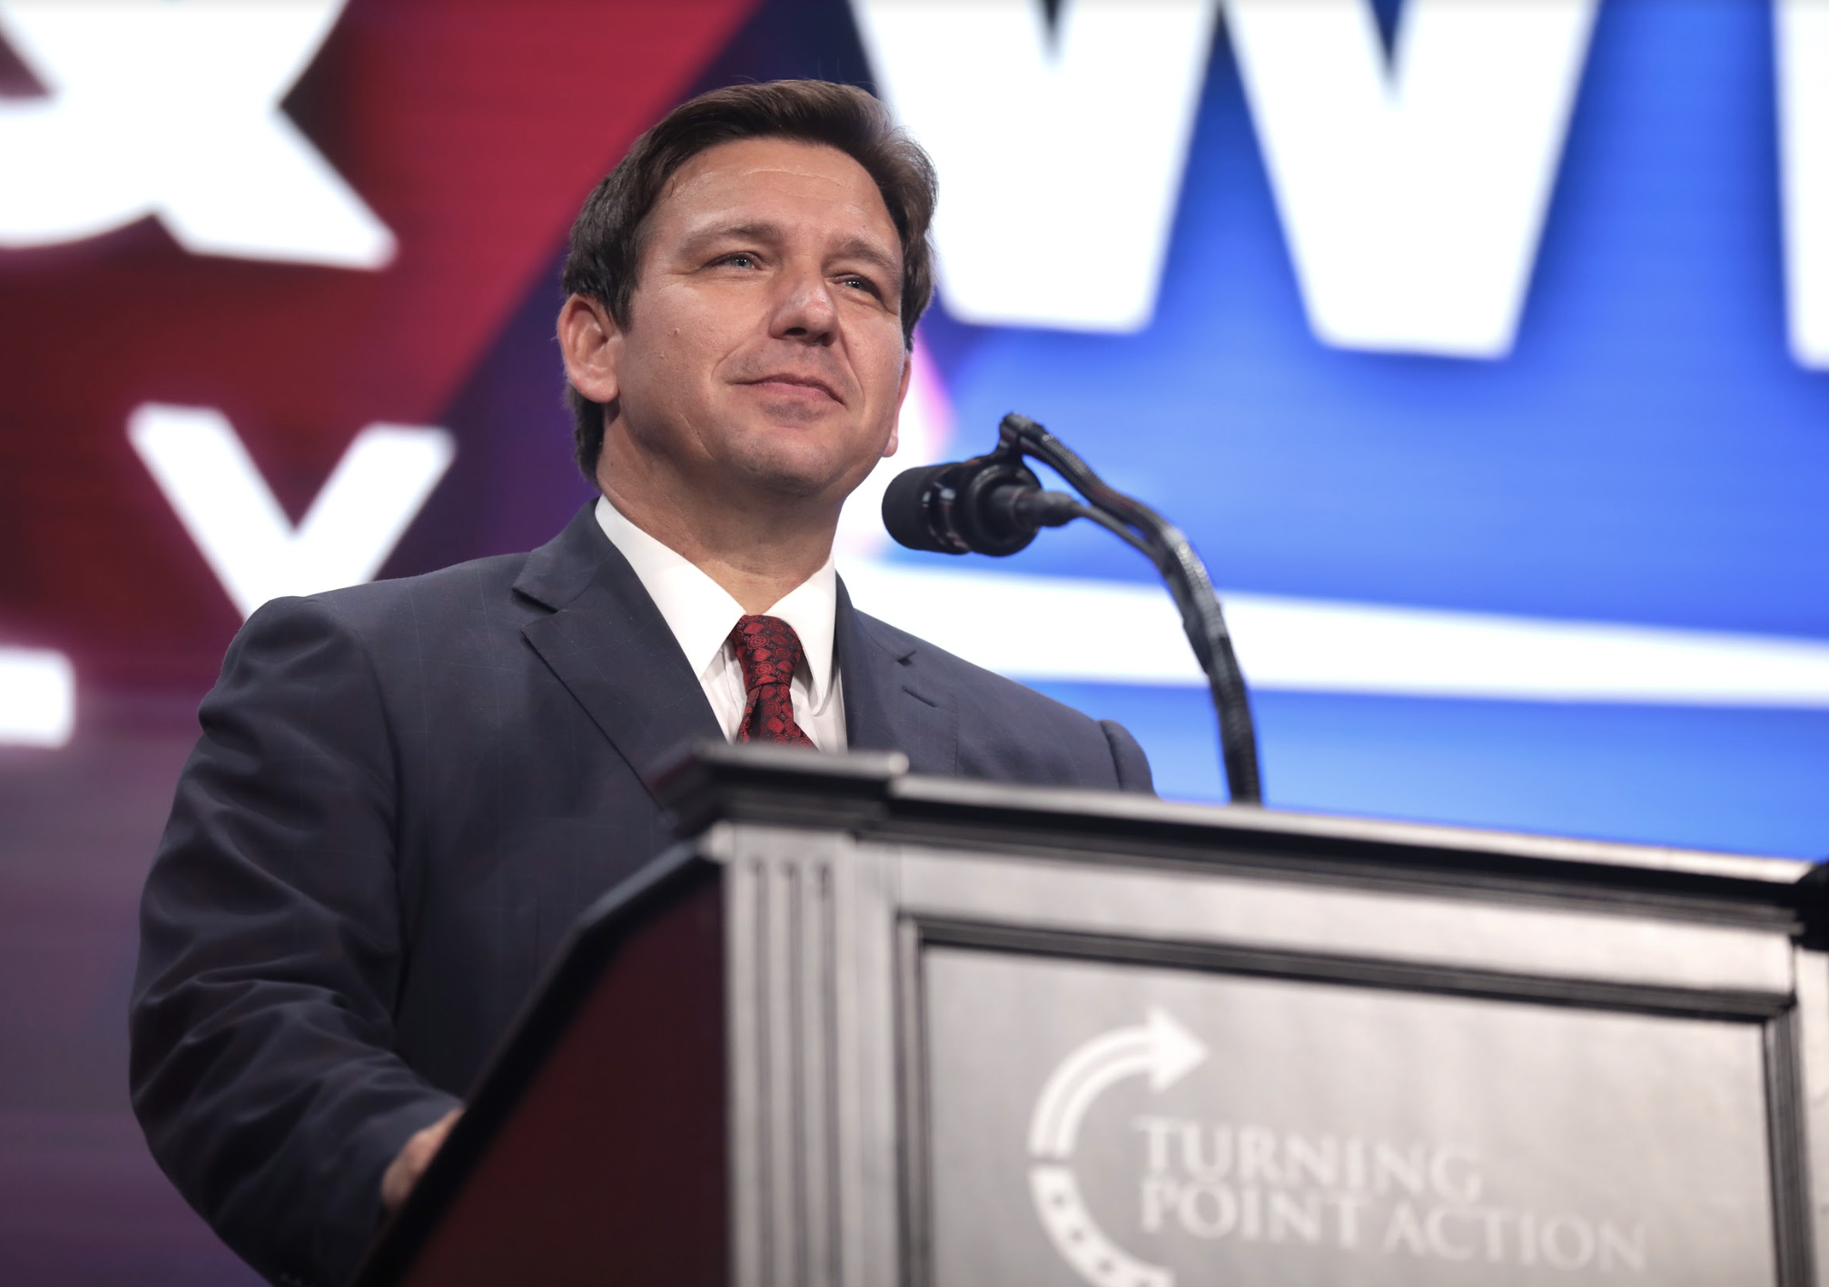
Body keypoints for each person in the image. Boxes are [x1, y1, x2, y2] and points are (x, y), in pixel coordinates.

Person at [129, 79, 1152, 1287]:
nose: (814, 312)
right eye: (738, 260)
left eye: (863, 285)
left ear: (894, 412)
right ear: (594, 344)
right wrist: (436, 1165)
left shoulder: (1061, 766)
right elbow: (235, 1022)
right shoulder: (365, 675)